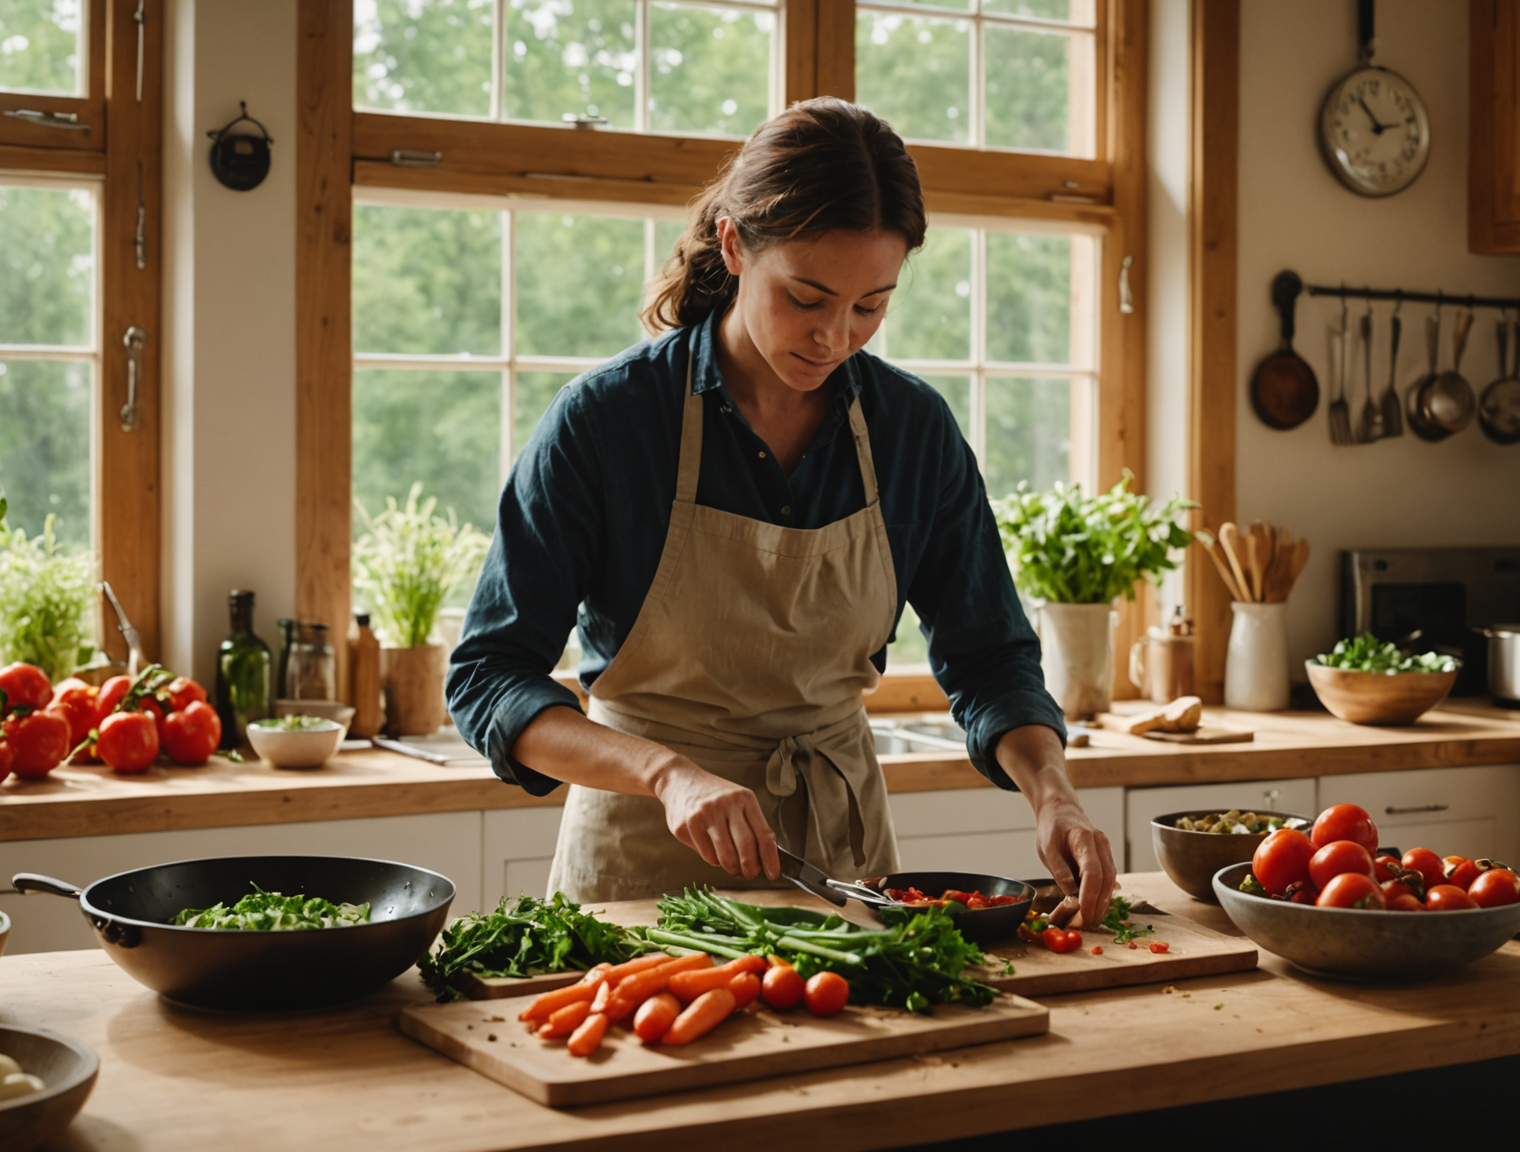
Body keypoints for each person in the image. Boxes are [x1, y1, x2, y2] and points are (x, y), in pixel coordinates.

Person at [447, 97, 1117, 928]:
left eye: (870, 305)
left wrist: (1054, 795)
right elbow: (488, 677)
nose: (835, 337)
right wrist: (666, 773)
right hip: (647, 866)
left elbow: (991, 662)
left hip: (844, 864)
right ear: (734, 245)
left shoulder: (913, 432)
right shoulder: (608, 422)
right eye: (806, 297)